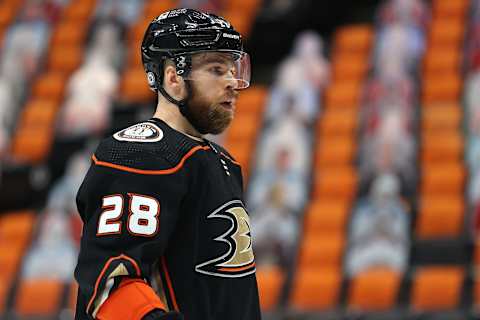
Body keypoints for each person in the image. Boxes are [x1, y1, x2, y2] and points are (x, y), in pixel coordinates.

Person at [74, 8, 260, 320]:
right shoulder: (140, 153)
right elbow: (111, 285)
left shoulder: (220, 160)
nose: (232, 82)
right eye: (216, 70)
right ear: (173, 78)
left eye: (232, 69)